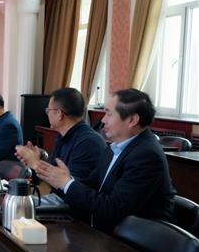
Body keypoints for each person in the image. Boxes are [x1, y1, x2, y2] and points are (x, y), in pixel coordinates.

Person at [36, 89, 175, 234]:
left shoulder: (147, 156)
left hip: (132, 240)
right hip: (104, 230)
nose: (103, 120)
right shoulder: (114, 148)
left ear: (132, 120)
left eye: (109, 114)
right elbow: (91, 185)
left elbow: (114, 208)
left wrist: (67, 183)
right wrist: (66, 178)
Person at [15, 88, 107, 197]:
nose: (47, 114)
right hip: (60, 199)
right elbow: (52, 179)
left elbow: (70, 188)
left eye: (48, 111)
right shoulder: (62, 135)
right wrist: (37, 158)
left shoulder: (89, 143)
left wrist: (35, 163)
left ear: (59, 114)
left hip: (73, 205)